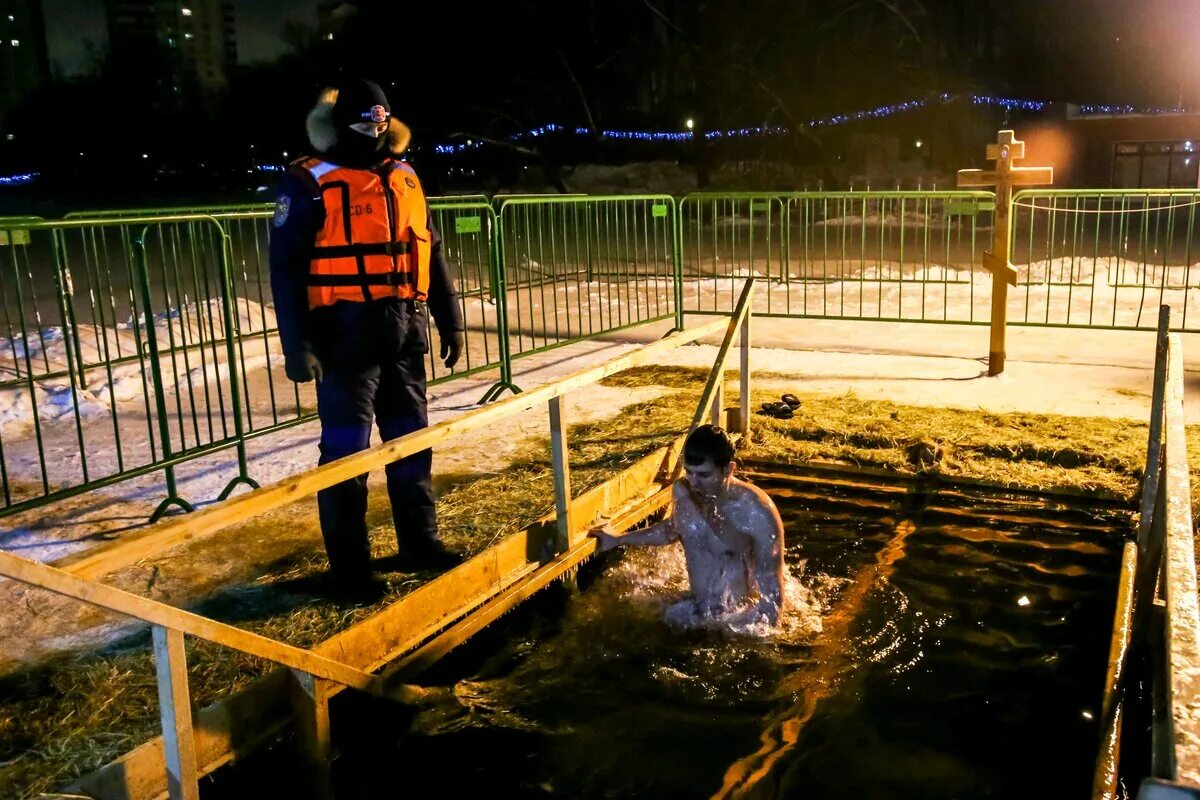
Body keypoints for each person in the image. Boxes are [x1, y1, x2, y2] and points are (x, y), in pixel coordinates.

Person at [269, 76, 466, 598]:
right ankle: (349, 569)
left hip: (404, 333)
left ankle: (419, 543)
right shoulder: (307, 181)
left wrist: (450, 319)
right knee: (346, 456)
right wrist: (298, 345)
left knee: (411, 444)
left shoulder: (404, 176)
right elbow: (286, 271)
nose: (372, 132)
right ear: (340, 125)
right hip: (342, 340)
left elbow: (432, 249)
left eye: (380, 122)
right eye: (363, 122)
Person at [590, 425, 786, 624]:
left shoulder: (756, 512)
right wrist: (619, 538)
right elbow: (672, 530)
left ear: (728, 469)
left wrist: (761, 641)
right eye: (689, 473)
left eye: (704, 475)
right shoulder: (684, 491)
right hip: (695, 608)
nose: (694, 483)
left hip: (736, 618)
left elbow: (772, 588)